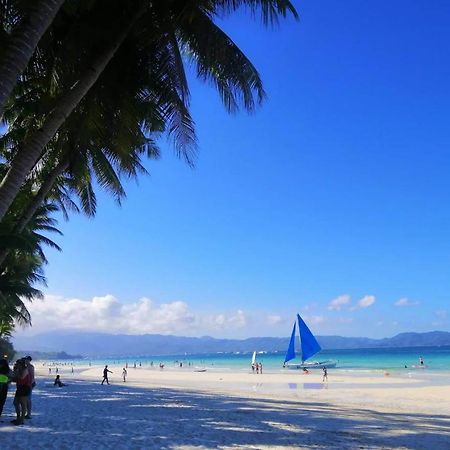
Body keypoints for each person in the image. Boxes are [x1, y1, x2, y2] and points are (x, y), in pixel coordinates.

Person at [12, 358, 32, 425]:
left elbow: (21, 377)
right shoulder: (18, 369)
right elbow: (15, 378)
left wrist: (16, 371)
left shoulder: (25, 370)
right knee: (15, 403)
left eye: (17, 364)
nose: (16, 365)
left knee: (23, 404)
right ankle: (18, 418)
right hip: (19, 387)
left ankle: (22, 419)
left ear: (21, 364)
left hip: (25, 387)